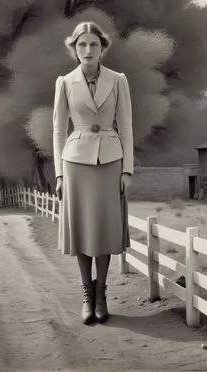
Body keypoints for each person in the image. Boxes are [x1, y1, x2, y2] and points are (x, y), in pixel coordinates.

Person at [52, 21, 134, 325]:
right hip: (75, 162)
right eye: (82, 45)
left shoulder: (118, 80)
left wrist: (128, 170)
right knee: (84, 231)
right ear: (74, 48)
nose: (87, 50)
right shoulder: (64, 82)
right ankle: (87, 295)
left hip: (111, 160)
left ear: (102, 48)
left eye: (94, 45)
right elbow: (59, 130)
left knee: (105, 230)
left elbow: (126, 126)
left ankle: (102, 294)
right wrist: (59, 174)